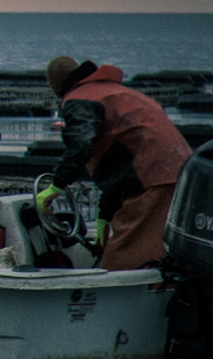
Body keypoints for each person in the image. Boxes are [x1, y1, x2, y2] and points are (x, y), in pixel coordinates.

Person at [36, 56, 192, 270]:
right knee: (159, 248)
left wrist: (56, 186)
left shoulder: (80, 99)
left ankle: (133, 301)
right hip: (182, 173)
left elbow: (80, 146)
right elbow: (119, 160)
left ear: (58, 87)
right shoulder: (115, 93)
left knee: (123, 258)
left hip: (152, 176)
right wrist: (105, 216)